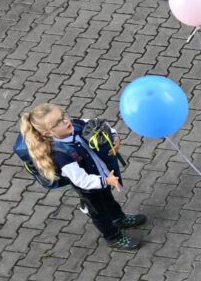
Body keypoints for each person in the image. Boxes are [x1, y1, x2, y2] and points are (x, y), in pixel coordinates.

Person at [19, 103, 145, 251]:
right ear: (48, 133)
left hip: (101, 177)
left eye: (63, 115)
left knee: (108, 200)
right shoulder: (61, 155)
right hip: (89, 188)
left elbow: (99, 126)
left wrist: (114, 136)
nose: (66, 121)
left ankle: (119, 218)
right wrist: (106, 180)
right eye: (58, 123)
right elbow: (82, 181)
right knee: (100, 213)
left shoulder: (76, 125)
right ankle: (113, 237)